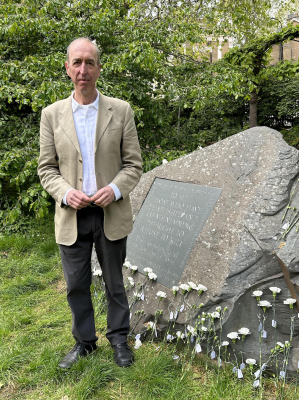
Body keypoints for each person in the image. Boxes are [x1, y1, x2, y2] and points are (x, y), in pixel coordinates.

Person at [37, 37, 143, 369]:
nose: (84, 69)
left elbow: (133, 164)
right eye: (77, 62)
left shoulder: (121, 110)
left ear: (99, 68)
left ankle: (119, 340)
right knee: (76, 285)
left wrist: (115, 188)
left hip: (111, 212)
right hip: (72, 215)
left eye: (90, 62)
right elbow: (47, 168)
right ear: (67, 68)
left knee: (115, 282)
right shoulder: (51, 115)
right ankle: (84, 343)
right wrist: (66, 193)